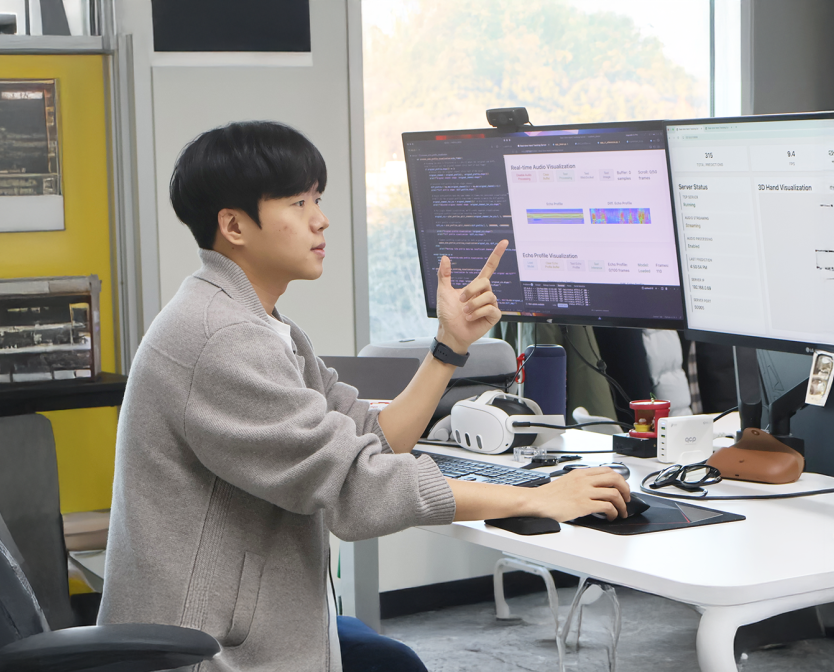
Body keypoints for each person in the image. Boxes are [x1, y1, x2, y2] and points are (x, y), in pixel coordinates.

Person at [98, 121, 630, 672]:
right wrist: (535, 496)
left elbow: (372, 439)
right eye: (298, 201)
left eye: (318, 199)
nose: (320, 218)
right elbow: (355, 489)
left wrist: (448, 348)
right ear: (233, 225)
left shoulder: (261, 324)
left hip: (257, 629)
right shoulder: (221, 338)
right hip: (208, 652)